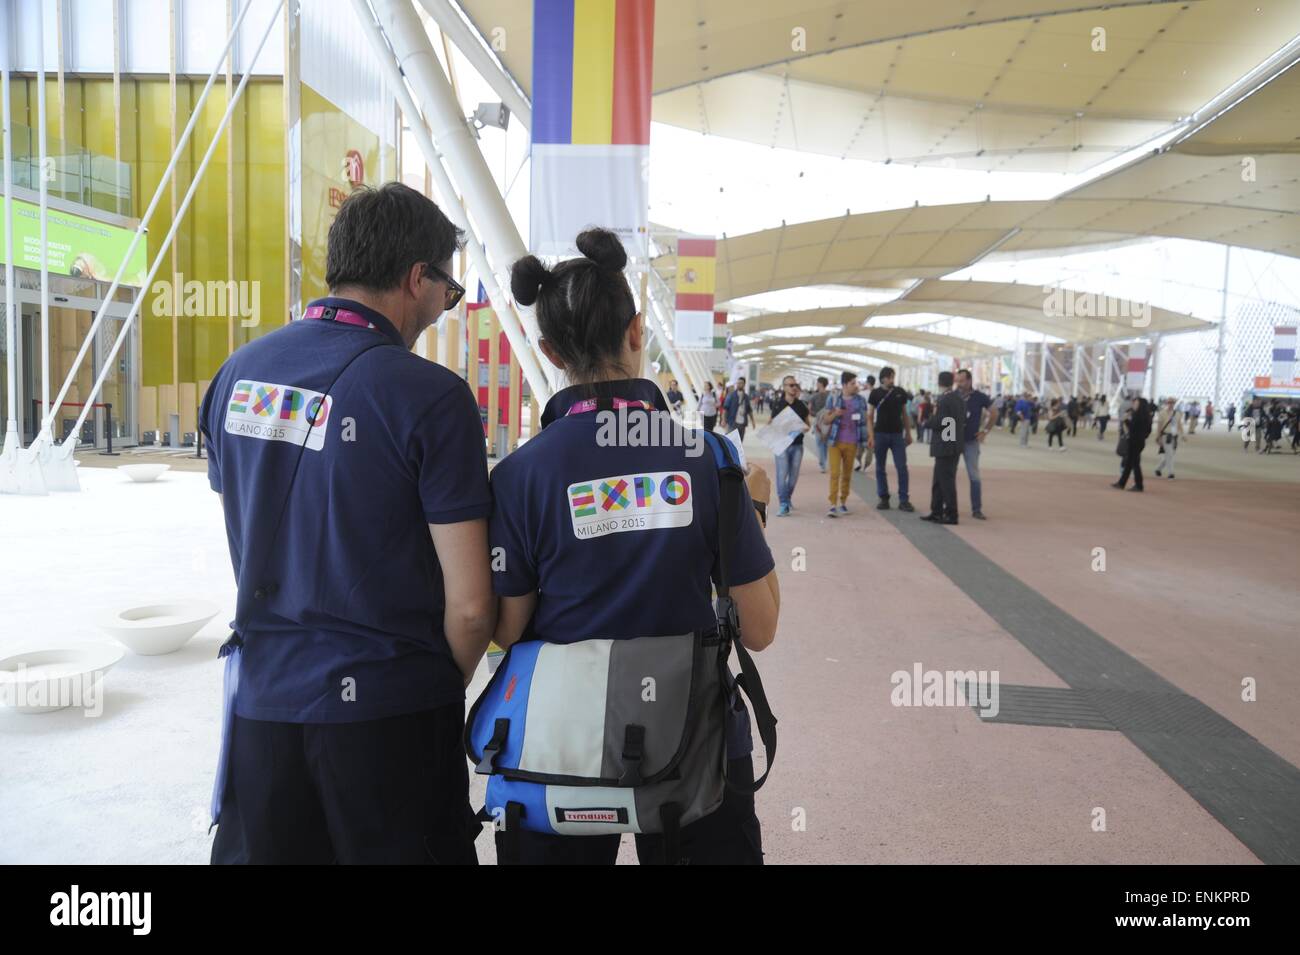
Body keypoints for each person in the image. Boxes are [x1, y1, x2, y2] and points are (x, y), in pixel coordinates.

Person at [202, 182, 492, 864]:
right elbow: (474, 607)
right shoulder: (431, 397)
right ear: (417, 278)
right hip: (388, 719)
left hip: (262, 711)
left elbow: (253, 525)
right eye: (447, 292)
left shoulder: (235, 375)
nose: (445, 307)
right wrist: (424, 685)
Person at [488, 228, 780, 865]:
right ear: (637, 331)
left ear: (549, 350)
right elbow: (758, 628)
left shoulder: (518, 476)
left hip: (557, 747)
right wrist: (751, 510)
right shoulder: (711, 461)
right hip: (696, 747)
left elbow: (508, 630)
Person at [821, 370, 871, 517]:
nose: (855, 386)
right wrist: (835, 414)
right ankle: (832, 504)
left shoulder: (860, 401)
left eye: (856, 383)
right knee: (835, 473)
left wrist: (869, 436)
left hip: (853, 442)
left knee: (847, 475)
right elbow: (825, 420)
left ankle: (843, 502)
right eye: (852, 383)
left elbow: (865, 419)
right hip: (835, 442)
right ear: (844, 385)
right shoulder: (833, 398)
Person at [867, 366, 915, 511]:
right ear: (883, 378)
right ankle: (883, 498)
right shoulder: (875, 393)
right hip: (880, 434)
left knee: (902, 467)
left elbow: (904, 414)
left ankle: (904, 499)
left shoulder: (900, 392)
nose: (892, 380)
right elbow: (869, 416)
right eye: (889, 377)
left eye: (893, 377)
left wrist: (908, 433)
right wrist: (871, 436)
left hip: (897, 435)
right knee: (880, 467)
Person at [922, 371, 964, 525]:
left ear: (939, 383)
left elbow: (944, 422)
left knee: (945, 481)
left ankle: (951, 514)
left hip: (946, 446)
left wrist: (928, 423)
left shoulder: (945, 399)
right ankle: (937, 511)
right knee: (939, 480)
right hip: (952, 444)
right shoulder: (958, 398)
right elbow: (953, 422)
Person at [770, 375, 812, 516]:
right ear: (784, 387)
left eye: (795, 385)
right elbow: (770, 423)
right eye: (791, 385)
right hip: (781, 444)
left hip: (797, 444)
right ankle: (783, 503)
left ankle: (787, 498)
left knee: (793, 476)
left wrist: (803, 428)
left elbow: (808, 425)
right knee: (782, 474)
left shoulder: (801, 406)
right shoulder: (778, 404)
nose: (794, 387)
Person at [955, 369, 991, 520]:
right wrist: (947, 437)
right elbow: (945, 416)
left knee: (974, 476)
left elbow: (994, 412)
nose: (959, 384)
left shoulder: (979, 397)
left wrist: (985, 430)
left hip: (971, 442)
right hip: (954, 441)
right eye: (958, 380)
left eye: (962, 381)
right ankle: (948, 506)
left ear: (969, 381)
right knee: (948, 474)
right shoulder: (953, 396)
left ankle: (976, 509)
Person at [1113, 395, 1152, 492]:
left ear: (1140, 405)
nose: (1133, 405)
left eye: (1136, 403)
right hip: (1139, 441)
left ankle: (1139, 485)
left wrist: (1125, 420)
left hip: (1135, 442)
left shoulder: (1138, 416)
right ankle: (1122, 483)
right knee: (1130, 463)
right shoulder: (1146, 416)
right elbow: (1148, 431)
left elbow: (1132, 428)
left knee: (1134, 464)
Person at [1154, 396, 1184, 478]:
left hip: (1174, 437)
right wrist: (1158, 437)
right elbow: (1159, 426)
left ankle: (1158, 469)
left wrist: (1183, 435)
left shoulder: (1177, 413)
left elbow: (1179, 424)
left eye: (1172, 402)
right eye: (1169, 402)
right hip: (1165, 436)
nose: (1171, 404)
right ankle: (1171, 473)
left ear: (1174, 404)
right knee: (1170, 455)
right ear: (1167, 403)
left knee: (1169, 454)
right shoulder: (1162, 413)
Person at [808, 376, 831, 472]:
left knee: (819, 443)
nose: (816, 384)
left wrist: (816, 414)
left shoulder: (814, 396)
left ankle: (822, 463)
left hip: (818, 422)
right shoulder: (830, 396)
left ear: (821, 384)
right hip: (828, 421)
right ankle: (824, 461)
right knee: (825, 442)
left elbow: (809, 410)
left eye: (817, 383)